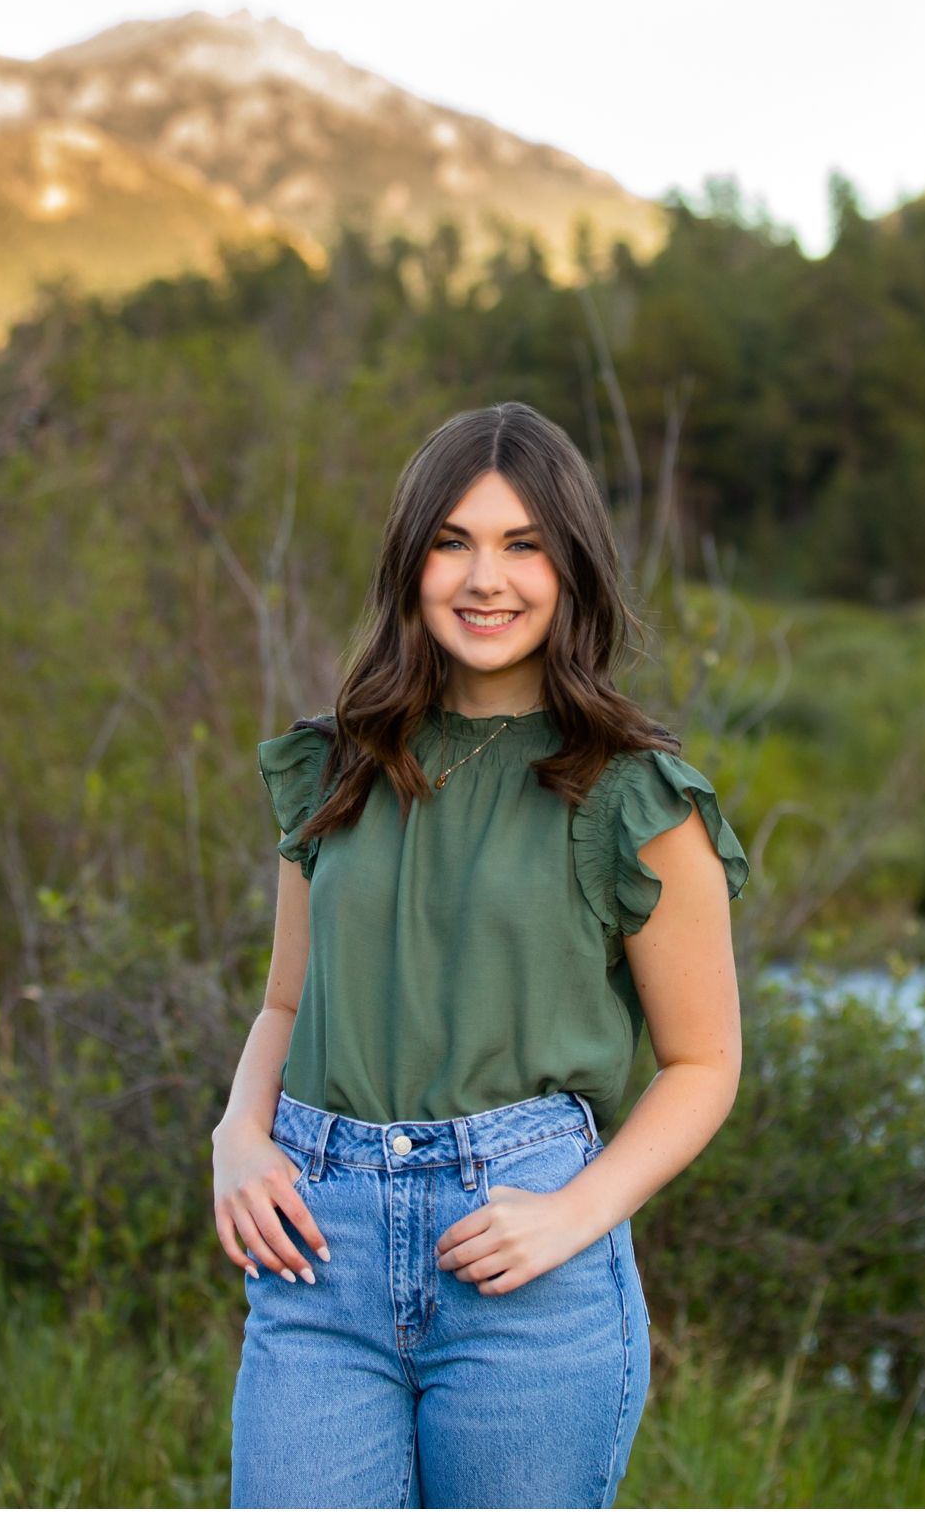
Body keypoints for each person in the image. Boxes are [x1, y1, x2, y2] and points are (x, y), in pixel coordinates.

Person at [213, 401, 750, 1508]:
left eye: (523, 545)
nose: (484, 578)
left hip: (525, 1258)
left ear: (573, 569)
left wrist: (575, 1209)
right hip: (320, 1255)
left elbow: (704, 1065)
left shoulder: (635, 794)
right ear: (411, 564)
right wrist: (235, 1133)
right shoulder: (335, 768)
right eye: (453, 541)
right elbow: (285, 1002)